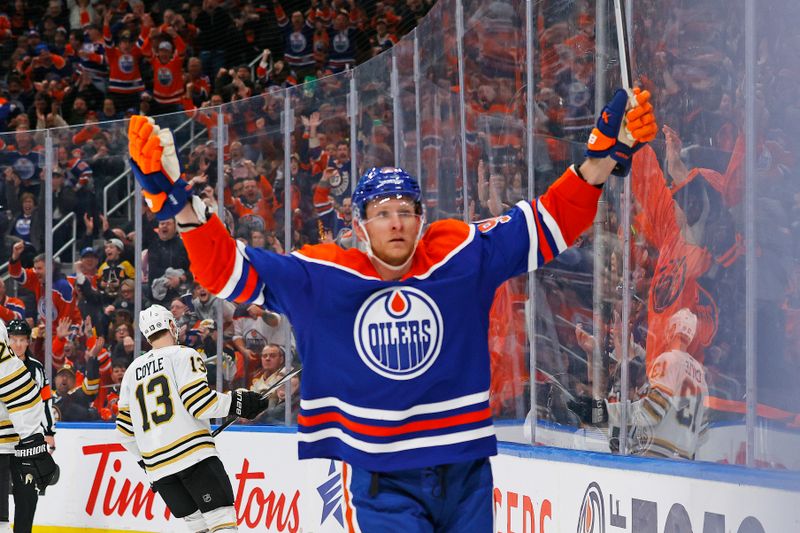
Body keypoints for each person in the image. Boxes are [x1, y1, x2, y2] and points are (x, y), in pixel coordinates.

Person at [128, 87, 657, 530]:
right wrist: (180, 206)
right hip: (385, 482)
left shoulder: (458, 254)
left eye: (407, 211)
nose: (397, 222)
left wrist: (601, 156)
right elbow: (224, 270)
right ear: (359, 226)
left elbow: (548, 224)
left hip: (467, 469)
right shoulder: (324, 276)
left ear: (422, 219)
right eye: (383, 213)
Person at [116, 305, 269, 533]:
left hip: (160, 471)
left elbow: (125, 433)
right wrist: (238, 402)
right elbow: (200, 404)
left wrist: (146, 463)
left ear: (146, 334)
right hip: (194, 460)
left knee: (197, 527)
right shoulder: (183, 354)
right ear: (170, 325)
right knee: (222, 521)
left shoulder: (131, 372)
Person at [607, 308, 709, 460]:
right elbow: (702, 434)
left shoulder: (668, 361)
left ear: (672, 328)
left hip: (653, 460)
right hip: (684, 463)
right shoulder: (700, 375)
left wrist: (610, 412)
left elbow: (651, 413)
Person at [0, 321, 59, 533]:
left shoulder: (35, 367)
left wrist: (48, 432)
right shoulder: (7, 363)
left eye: (22, 340)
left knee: (26, 493)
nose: (17, 344)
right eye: (13, 339)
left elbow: (45, 402)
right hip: (5, 441)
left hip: (23, 441)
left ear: (28, 341)